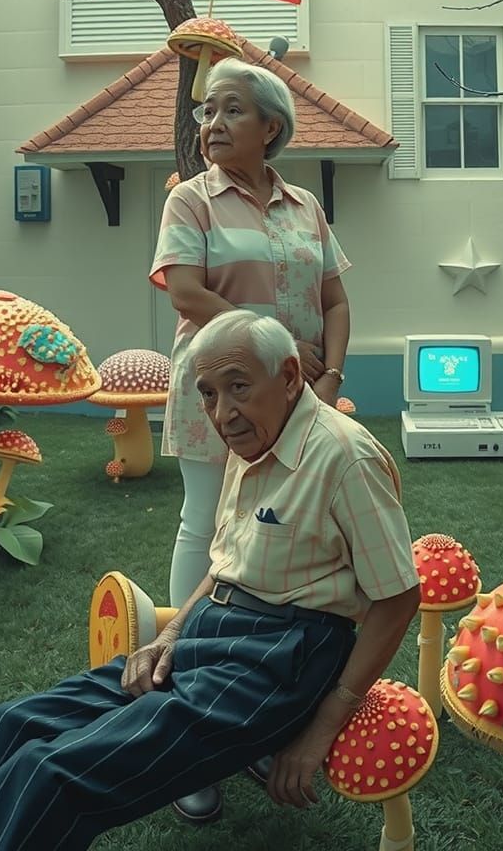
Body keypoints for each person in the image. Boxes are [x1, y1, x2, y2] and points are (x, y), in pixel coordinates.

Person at [0, 311, 419, 851]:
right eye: (208, 394)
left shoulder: (345, 456)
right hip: (212, 627)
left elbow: (399, 596)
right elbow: (226, 563)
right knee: (12, 724)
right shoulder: (253, 441)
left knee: (54, 774)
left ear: (290, 376)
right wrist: (169, 635)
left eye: (239, 387)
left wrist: (323, 726)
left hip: (280, 657)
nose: (224, 414)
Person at [150, 58, 352, 820]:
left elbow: (335, 297)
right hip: (222, 386)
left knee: (286, 535)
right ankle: (187, 702)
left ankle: (257, 701)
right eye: (207, 112)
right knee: (207, 524)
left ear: (271, 127)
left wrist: (324, 381)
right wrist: (274, 358)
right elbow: (186, 290)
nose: (211, 125)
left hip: (299, 393)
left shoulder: (306, 207)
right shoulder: (191, 201)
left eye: (230, 111)